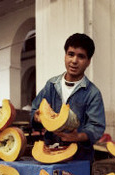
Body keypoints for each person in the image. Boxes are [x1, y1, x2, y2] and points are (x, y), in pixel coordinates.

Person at [31, 33, 105, 163]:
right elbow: (34, 110)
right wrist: (37, 117)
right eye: (71, 54)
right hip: (50, 152)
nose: (74, 61)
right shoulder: (51, 85)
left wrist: (78, 136)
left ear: (88, 62)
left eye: (81, 57)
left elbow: (96, 127)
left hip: (79, 157)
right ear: (65, 56)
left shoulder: (93, 93)